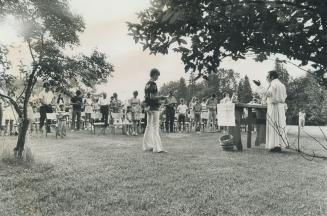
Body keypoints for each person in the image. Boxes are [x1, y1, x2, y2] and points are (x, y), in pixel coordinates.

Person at [143, 68, 167, 153]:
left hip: (148, 108)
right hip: (154, 108)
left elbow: (147, 97)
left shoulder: (147, 84)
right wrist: (162, 97)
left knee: (148, 126)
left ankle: (147, 146)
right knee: (155, 127)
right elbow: (152, 97)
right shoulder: (153, 84)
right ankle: (157, 148)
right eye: (157, 75)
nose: (157, 77)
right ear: (154, 74)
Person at [265, 70, 288, 152]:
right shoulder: (282, 85)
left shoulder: (273, 84)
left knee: (273, 126)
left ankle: (274, 146)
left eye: (267, 77)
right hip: (280, 107)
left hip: (274, 107)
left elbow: (268, 94)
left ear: (271, 77)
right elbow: (285, 96)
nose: (267, 78)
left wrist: (260, 86)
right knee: (280, 125)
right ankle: (278, 145)